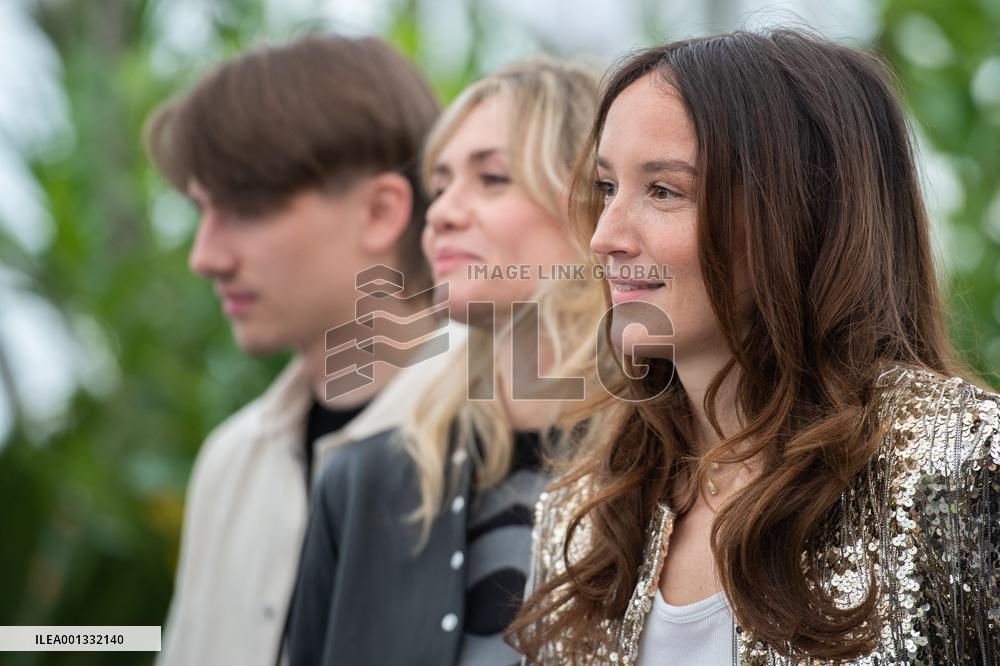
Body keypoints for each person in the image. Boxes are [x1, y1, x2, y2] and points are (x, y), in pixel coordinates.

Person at [510, 29, 999, 665]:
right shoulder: (585, 516)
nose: (606, 237)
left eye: (663, 190)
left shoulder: (962, 460)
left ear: (800, 214)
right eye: (607, 188)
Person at [286, 56, 618, 666]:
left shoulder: (678, 467)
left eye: (491, 178)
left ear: (595, 206)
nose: (440, 214)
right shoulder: (364, 484)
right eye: (439, 187)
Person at [144, 35, 443, 666]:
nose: (205, 257)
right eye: (201, 211)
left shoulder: (517, 438)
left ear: (381, 211)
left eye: (244, 208)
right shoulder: (232, 462)